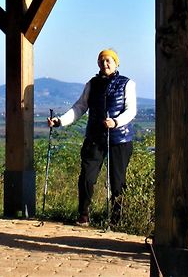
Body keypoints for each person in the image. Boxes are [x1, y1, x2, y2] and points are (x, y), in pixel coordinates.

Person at [48, 49, 136, 226]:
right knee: (87, 177)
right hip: (95, 137)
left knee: (118, 181)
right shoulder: (92, 84)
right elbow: (79, 107)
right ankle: (83, 214)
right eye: (102, 61)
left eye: (108, 61)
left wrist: (116, 122)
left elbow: (131, 110)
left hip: (120, 139)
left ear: (116, 63)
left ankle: (116, 220)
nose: (105, 64)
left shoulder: (127, 84)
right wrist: (59, 121)